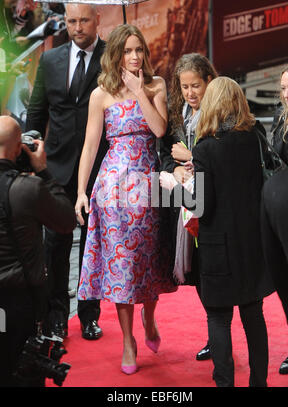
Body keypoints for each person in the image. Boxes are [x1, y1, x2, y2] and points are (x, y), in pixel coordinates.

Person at [75, 24, 177, 375]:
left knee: (147, 261)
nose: (135, 57)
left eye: (139, 50)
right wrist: (80, 191)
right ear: (116, 55)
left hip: (149, 188)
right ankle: (128, 340)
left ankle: (150, 318)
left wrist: (139, 91)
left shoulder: (156, 84)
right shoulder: (100, 94)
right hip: (112, 190)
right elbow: (90, 145)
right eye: (128, 51)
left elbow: (160, 130)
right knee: (121, 266)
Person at [160, 77, 274, 387]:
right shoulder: (254, 138)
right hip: (252, 245)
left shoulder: (206, 149)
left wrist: (172, 188)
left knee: (219, 318)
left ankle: (225, 383)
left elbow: (200, 207)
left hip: (217, 249)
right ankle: (259, 383)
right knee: (254, 316)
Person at [25, 3, 108, 341]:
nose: (77, 27)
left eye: (84, 20)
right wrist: (30, 156)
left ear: (97, 20)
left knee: (93, 245)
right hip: (56, 168)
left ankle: (89, 315)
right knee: (55, 246)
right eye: (71, 21)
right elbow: (36, 111)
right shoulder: (50, 60)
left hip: (100, 166)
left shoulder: (112, 57)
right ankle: (57, 316)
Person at [0, 115, 76, 387]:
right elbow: (67, 221)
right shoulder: (28, 189)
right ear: (17, 149)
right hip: (20, 302)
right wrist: (43, 170)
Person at [160, 53, 217, 362]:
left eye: (196, 85)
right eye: (184, 87)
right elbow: (166, 153)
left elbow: (222, 159)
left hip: (213, 202)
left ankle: (217, 333)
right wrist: (173, 170)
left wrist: (191, 158)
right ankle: (214, 333)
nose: (191, 93)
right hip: (185, 202)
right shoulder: (177, 115)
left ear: (209, 81)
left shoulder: (221, 112)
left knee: (211, 269)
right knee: (196, 272)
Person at [269, 64, 288, 376]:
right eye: (284, 89)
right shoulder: (281, 120)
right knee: (286, 284)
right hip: (283, 217)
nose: (287, 95)